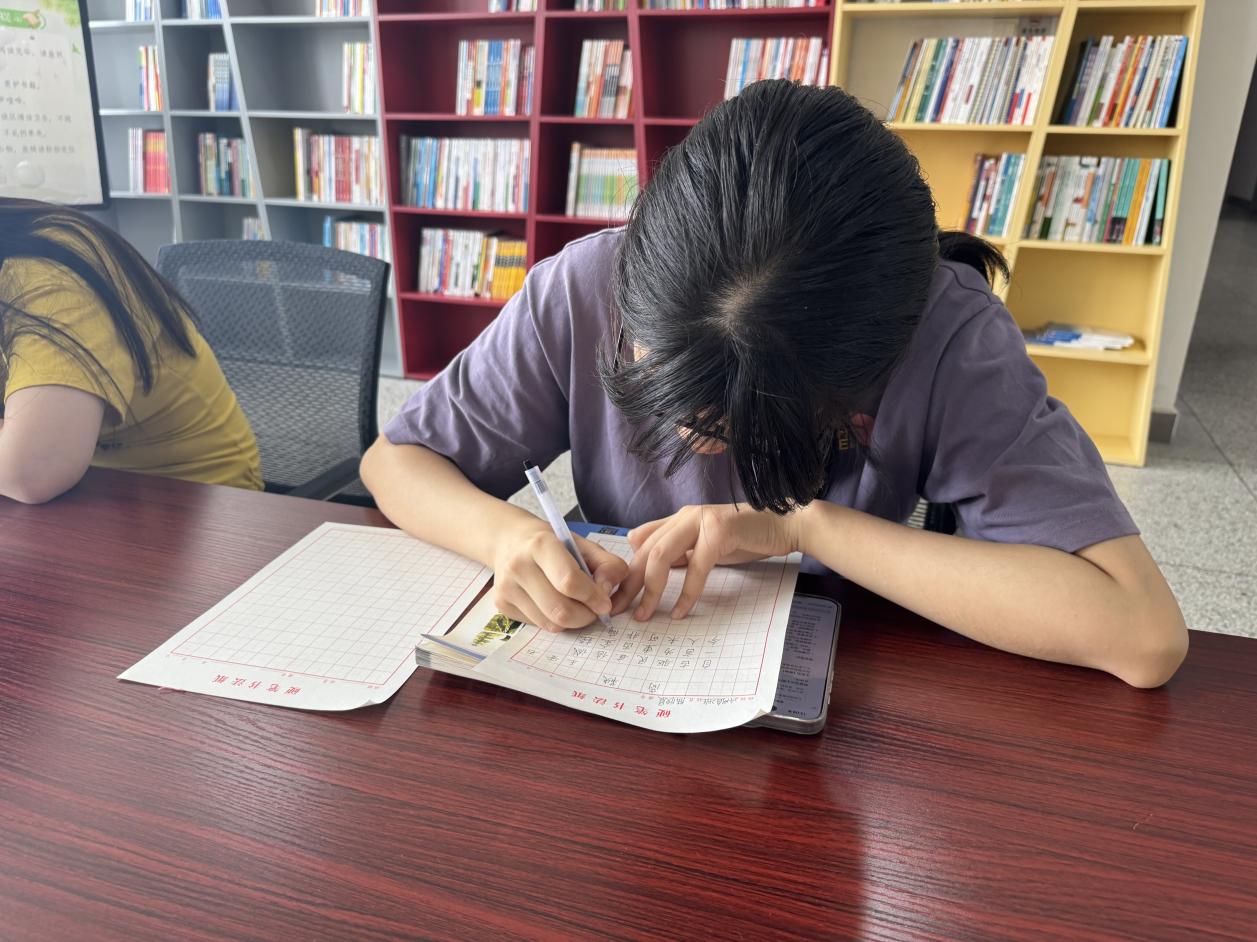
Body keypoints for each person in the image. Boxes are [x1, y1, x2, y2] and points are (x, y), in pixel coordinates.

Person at [362, 81, 1187, 688]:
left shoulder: (947, 336)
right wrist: (506, 539)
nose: (691, 442)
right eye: (661, 382)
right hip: (619, 678)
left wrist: (803, 527)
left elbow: (1140, 632)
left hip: (848, 692)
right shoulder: (584, 288)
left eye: (735, 424)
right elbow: (395, 462)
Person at [0, 199, 260, 502]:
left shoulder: (46, 274)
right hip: (91, 485)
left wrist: (17, 443)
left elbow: (30, 472)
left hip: (200, 495)